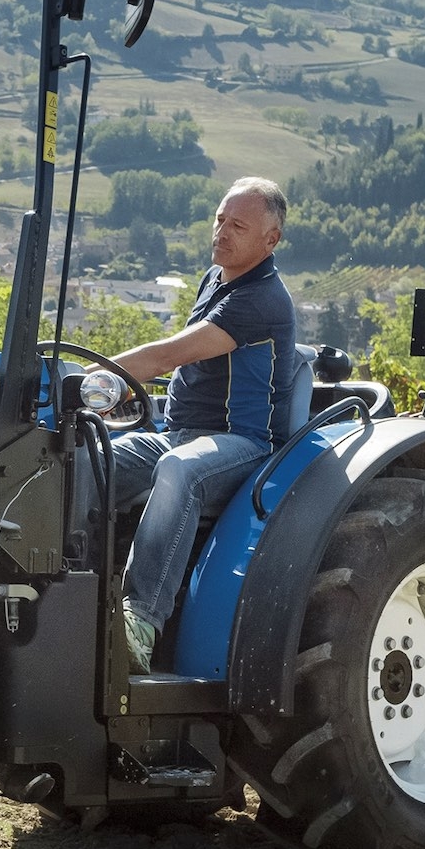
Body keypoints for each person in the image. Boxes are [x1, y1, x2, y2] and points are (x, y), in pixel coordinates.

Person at [106, 177, 295, 673]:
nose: (221, 233)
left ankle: (139, 623)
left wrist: (84, 375)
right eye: (219, 219)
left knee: (179, 471)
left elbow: (171, 354)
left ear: (270, 240)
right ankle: (66, 585)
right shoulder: (217, 277)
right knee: (84, 453)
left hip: (243, 445)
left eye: (237, 225)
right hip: (179, 432)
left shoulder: (261, 300)